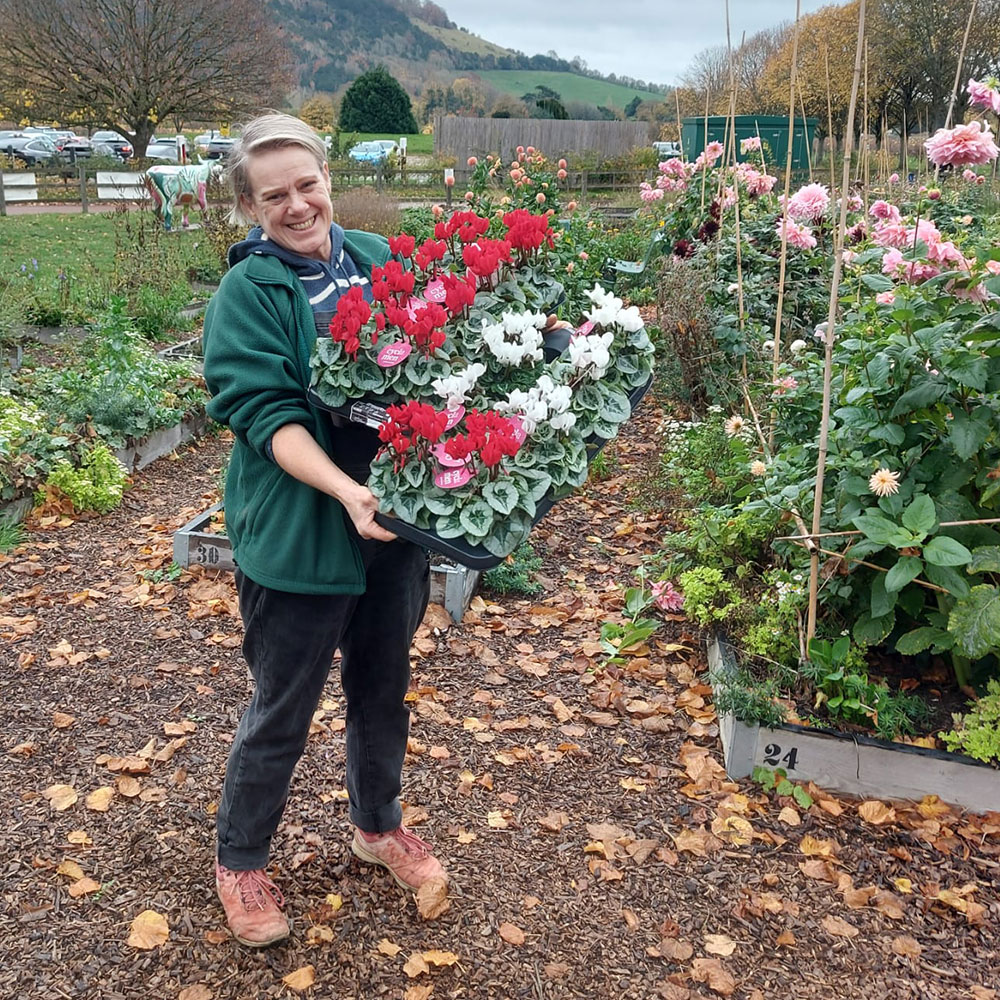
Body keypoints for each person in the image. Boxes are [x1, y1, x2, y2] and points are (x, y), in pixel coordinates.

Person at [202, 113, 445, 949]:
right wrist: (347, 490)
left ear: (328, 180)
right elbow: (265, 414)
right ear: (249, 207)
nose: (297, 205)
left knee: (381, 686)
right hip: (303, 530)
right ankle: (240, 860)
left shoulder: (378, 260)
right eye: (274, 195)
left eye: (307, 184)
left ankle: (377, 826)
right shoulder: (250, 292)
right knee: (284, 706)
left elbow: (444, 361)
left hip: (394, 525)